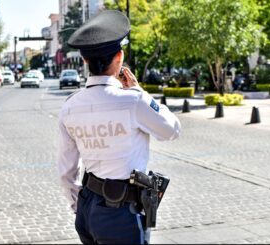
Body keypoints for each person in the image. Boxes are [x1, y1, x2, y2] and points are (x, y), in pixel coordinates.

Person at [57, 10, 181, 244]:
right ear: (120, 57)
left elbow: (66, 172)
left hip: (88, 208)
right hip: (122, 214)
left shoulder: (70, 106)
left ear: (84, 60)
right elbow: (171, 130)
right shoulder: (133, 100)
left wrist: (80, 206)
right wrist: (140, 91)